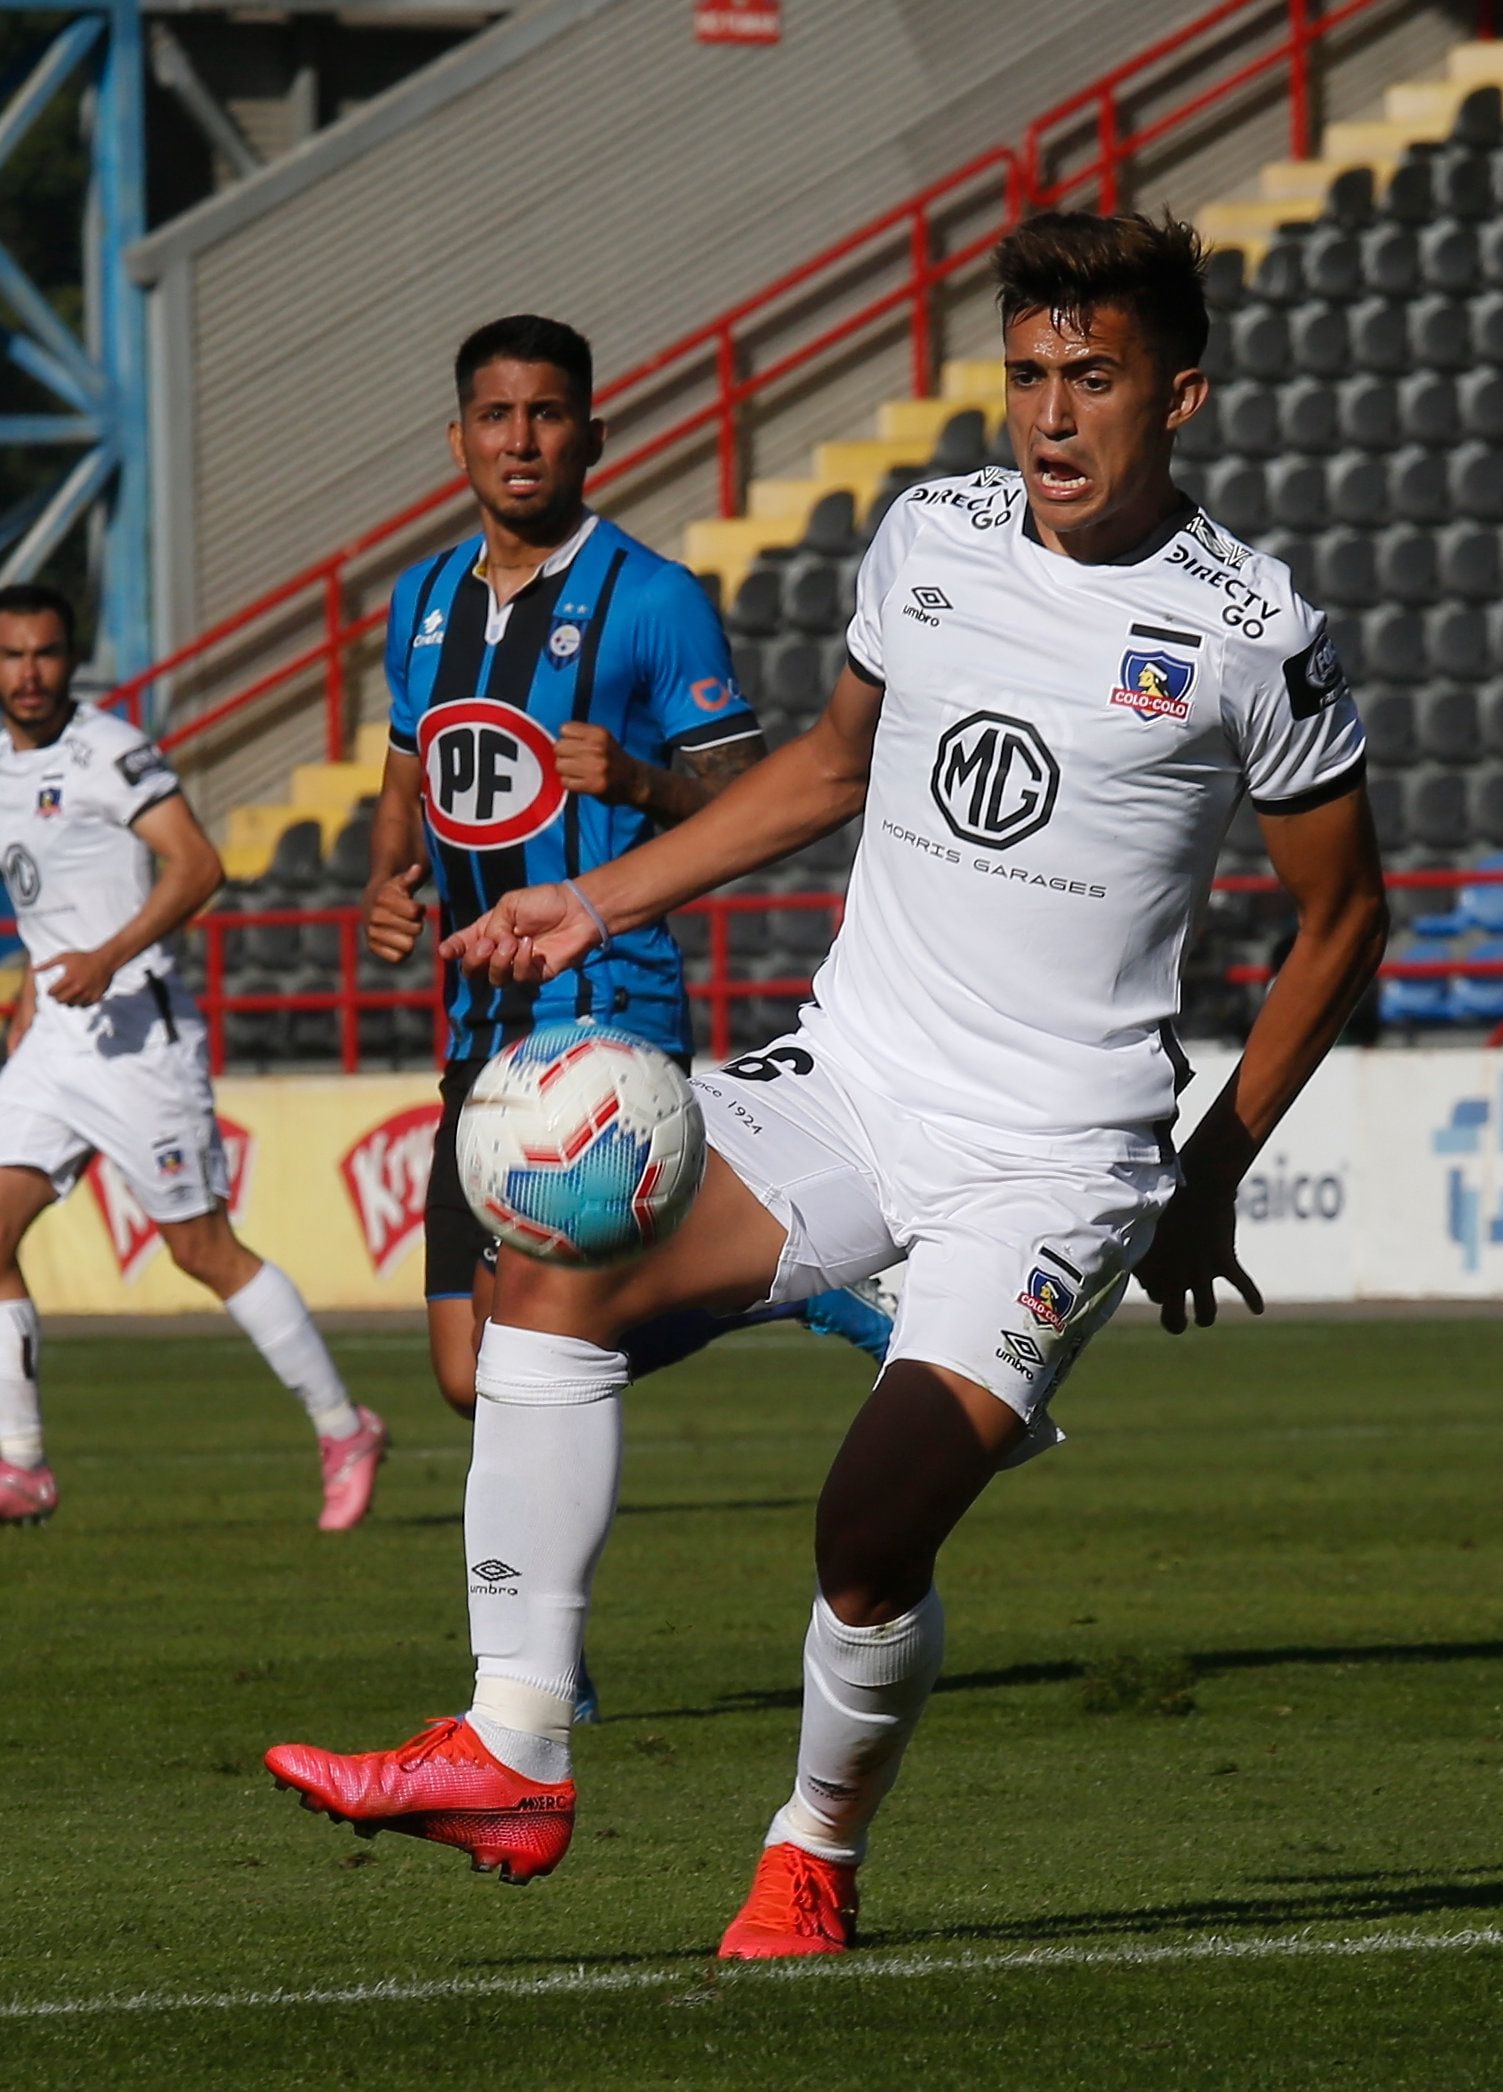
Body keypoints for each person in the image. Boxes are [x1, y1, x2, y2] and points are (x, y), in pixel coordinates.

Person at [267, 212, 1386, 1960]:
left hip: (1052, 1158)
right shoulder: (930, 534)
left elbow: (1344, 916)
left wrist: (1211, 1167)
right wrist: (597, 892)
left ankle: (813, 1848)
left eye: (1092, 379)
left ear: (1181, 393)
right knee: (545, 1245)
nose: (1051, 417)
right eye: (1026, 377)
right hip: (854, 1075)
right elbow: (824, 769)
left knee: (866, 1536)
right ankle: (511, 1740)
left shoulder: (1250, 630)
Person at [360, 315, 889, 1438]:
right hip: (476, 1014)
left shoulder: (651, 600)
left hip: (605, 1009)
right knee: (466, 1370)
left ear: (591, 436)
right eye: (497, 416)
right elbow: (405, 772)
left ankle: (531, 1597)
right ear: (456, 439)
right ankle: (777, 1282)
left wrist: (643, 781)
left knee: (533, 1342)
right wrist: (385, 880)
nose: (521, 440)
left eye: (546, 415)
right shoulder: (421, 601)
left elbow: (761, 797)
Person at [0, 584, 380, 1530]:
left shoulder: (110, 753)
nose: (29, 672)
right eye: (11, 655)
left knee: (198, 1248)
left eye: (45, 653)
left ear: (69, 657)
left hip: (138, 1038)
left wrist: (106, 958)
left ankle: (343, 1426)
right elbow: (47, 901)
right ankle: (22, 1466)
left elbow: (198, 865)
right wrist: (27, 992)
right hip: (54, 1038)